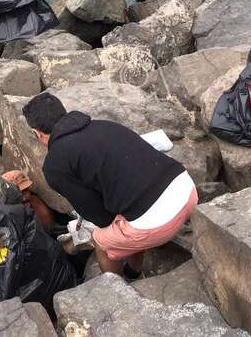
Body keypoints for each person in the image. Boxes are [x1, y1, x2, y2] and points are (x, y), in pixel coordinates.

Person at [22, 93, 197, 279]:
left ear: (37, 133)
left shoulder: (54, 165)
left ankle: (117, 288)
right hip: (187, 190)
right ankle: (134, 273)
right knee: (128, 214)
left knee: (102, 243)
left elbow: (100, 217)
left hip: (158, 222)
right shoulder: (104, 125)